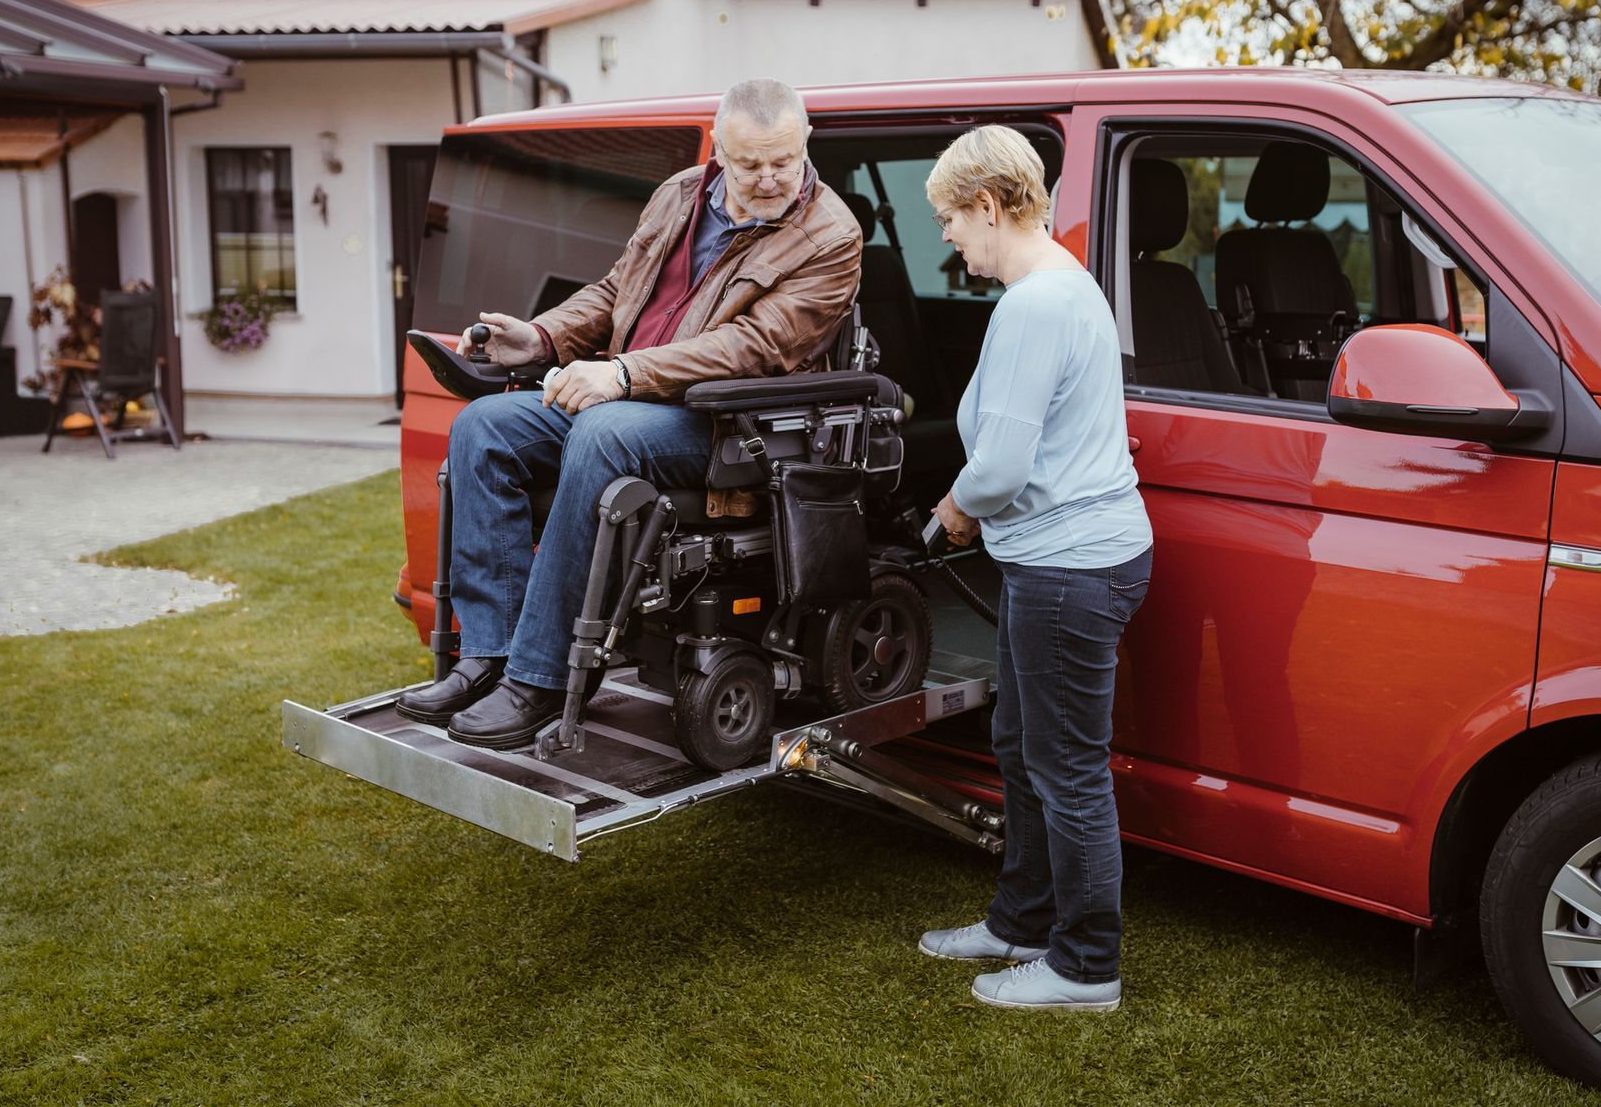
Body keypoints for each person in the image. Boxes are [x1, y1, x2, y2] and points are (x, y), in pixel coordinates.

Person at [395, 78, 862, 748]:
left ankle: (542, 677)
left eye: (782, 161)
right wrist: (543, 338)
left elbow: (755, 347)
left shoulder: (831, 236)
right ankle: (489, 655)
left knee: (601, 430)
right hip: (626, 393)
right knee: (482, 428)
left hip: (726, 426)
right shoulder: (679, 193)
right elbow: (618, 289)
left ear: (805, 144)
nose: (767, 178)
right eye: (749, 162)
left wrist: (623, 372)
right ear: (720, 151)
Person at [914, 125, 1153, 1012]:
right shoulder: (1064, 282)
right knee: (1022, 746)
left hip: (1068, 571)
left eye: (949, 218)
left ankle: (1087, 965)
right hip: (1063, 563)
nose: (946, 236)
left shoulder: (1034, 305)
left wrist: (952, 510)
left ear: (987, 205)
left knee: (1065, 769)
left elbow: (1005, 469)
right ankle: (1021, 920)